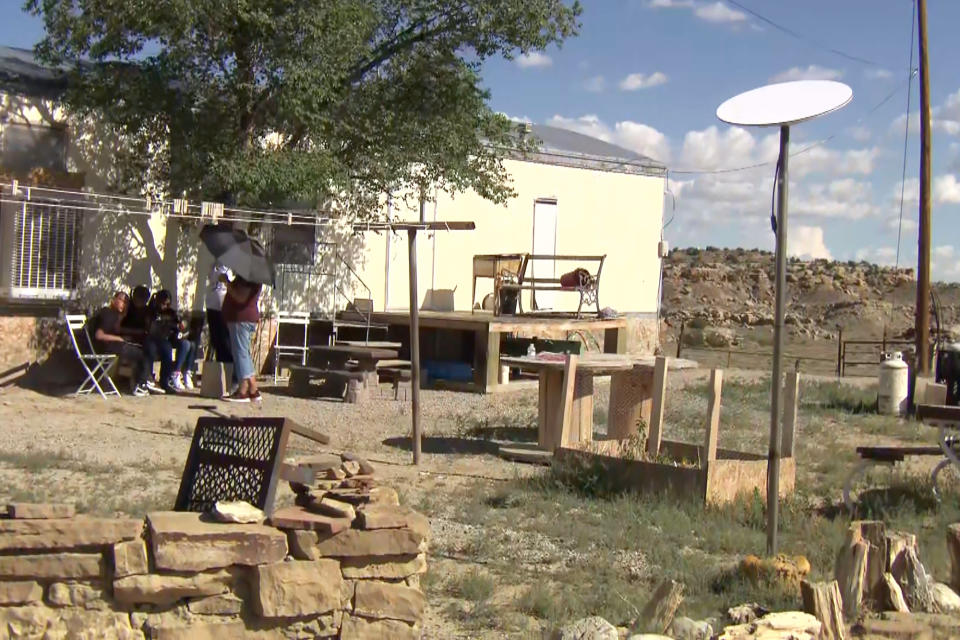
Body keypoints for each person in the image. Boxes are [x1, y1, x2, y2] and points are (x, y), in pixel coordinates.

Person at [89, 291, 152, 397]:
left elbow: (118, 329)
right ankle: (142, 384)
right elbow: (99, 335)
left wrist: (135, 332)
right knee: (144, 353)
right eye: (122, 300)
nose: (124, 304)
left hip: (111, 346)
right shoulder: (108, 314)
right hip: (106, 348)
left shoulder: (113, 315)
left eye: (126, 303)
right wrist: (119, 338)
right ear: (113, 300)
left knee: (139, 349)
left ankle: (144, 381)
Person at [221, 274, 262, 403]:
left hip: (241, 319)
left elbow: (240, 298)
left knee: (240, 354)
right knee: (244, 353)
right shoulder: (247, 277)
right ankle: (253, 390)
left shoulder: (249, 278)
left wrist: (226, 283)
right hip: (243, 318)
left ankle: (243, 390)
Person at [148, 289, 197, 392]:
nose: (165, 306)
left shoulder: (171, 312)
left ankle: (179, 372)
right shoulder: (152, 311)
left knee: (188, 344)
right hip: (156, 338)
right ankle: (164, 380)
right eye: (163, 304)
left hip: (171, 337)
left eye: (168, 304)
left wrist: (182, 325)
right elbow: (152, 327)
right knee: (166, 348)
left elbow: (179, 325)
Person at [205, 261, 235, 388]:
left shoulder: (231, 269)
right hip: (212, 305)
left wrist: (226, 280)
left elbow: (232, 286)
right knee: (216, 340)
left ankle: (230, 379)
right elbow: (210, 278)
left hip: (224, 308)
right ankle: (218, 379)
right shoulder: (214, 266)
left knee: (225, 342)